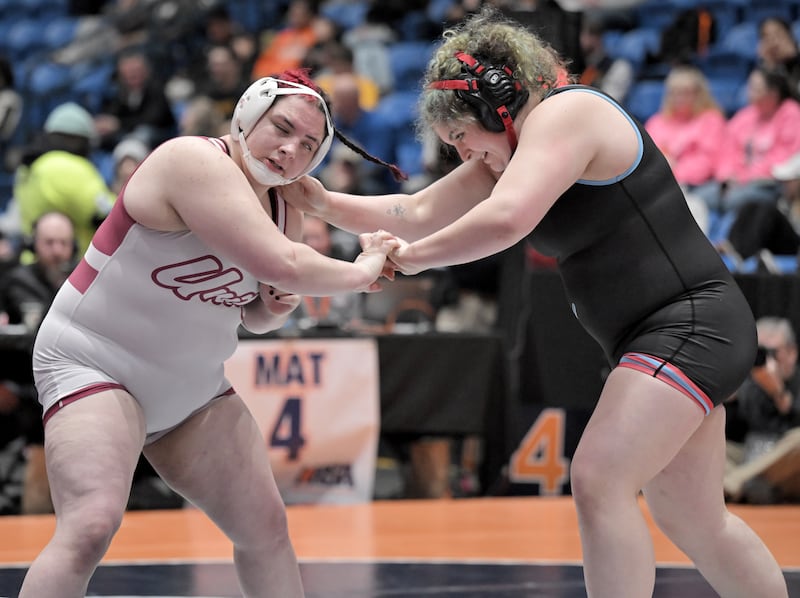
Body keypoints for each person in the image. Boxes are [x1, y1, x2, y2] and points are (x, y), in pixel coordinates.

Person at [281, 8, 789, 596]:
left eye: (462, 138)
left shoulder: (569, 113)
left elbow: (506, 220)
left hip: (692, 324)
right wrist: (320, 203)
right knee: (694, 519)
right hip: (667, 334)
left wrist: (409, 259)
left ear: (499, 102)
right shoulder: (512, 150)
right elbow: (417, 213)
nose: (466, 156)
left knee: (599, 478)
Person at [16, 70, 399, 598]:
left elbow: (254, 316)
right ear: (246, 115)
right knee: (90, 526)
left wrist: (273, 306)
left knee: (265, 530)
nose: (289, 150)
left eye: (307, 145)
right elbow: (285, 264)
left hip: (191, 390)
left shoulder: (284, 207)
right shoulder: (189, 160)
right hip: (95, 362)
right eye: (281, 128)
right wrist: (361, 271)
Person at [0, 211, 77, 515]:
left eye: (63, 243)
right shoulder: (13, 281)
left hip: (71, 389)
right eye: (49, 242)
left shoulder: (85, 281)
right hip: (23, 394)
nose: (57, 250)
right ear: (34, 243)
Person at [12, 102, 116, 259]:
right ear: (81, 140)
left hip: (32, 262)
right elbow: (108, 214)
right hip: (65, 268)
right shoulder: (69, 166)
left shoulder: (26, 167)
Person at [692, 66, 800, 215]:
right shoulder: (746, 115)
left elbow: (785, 157)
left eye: (755, 88)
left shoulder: (791, 113)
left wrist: (744, 177)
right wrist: (727, 175)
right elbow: (727, 149)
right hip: (737, 182)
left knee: (734, 200)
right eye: (750, 87)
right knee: (697, 198)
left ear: (773, 93)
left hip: (769, 183)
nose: (749, 93)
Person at [644, 64, 727, 235]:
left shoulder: (710, 120)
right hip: (660, 184)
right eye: (674, 92)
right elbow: (646, 158)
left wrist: (672, 170)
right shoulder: (656, 121)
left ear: (698, 94)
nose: (679, 98)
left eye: (685, 92)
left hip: (697, 186)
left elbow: (707, 162)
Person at [725, 317, 800, 504]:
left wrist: (778, 393)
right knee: (702, 438)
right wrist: (729, 398)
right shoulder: (748, 383)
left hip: (786, 465)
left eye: (773, 352)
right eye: (759, 352)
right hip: (750, 457)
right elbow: (730, 432)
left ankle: (733, 484)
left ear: (792, 353)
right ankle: (753, 487)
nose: (766, 359)